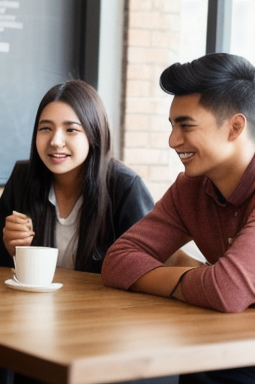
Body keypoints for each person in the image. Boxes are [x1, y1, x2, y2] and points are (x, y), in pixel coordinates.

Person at [101, 53, 255, 383]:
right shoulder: (191, 188)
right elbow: (118, 260)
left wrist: (210, 281)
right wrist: (198, 278)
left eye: (186, 126)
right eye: (172, 126)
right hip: (218, 349)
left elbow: (226, 290)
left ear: (235, 127)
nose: (173, 141)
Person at [0, 79, 154, 273]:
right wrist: (7, 245)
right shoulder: (23, 177)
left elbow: (147, 262)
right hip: (34, 302)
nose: (55, 141)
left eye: (71, 130)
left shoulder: (125, 186)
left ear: (94, 134)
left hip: (102, 302)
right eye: (45, 128)